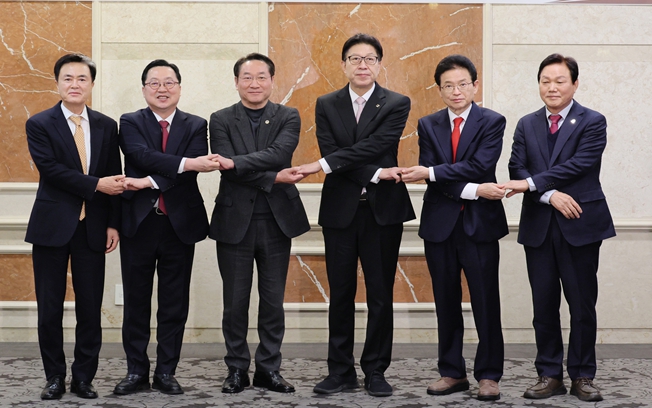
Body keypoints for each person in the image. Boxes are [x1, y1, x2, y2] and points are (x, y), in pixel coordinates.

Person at [298, 33, 415, 397]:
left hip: (383, 212)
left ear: (379, 64)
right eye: (355, 58)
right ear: (343, 64)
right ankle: (340, 371)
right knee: (340, 294)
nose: (362, 65)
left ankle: (376, 370)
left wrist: (324, 165)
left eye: (369, 59)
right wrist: (376, 173)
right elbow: (332, 149)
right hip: (340, 211)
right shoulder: (326, 103)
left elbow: (377, 145)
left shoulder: (397, 102)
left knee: (380, 294)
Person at [504, 53, 615, 402]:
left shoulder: (592, 121)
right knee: (543, 305)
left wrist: (533, 184)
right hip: (539, 225)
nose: (552, 87)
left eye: (560, 81)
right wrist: (549, 195)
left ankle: (583, 375)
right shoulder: (527, 123)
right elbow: (516, 167)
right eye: (545, 81)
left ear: (575, 84)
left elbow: (580, 165)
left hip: (579, 223)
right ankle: (549, 374)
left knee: (582, 305)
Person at [400, 55, 508, 401]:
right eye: (448, 85)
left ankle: (489, 375)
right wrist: (473, 189)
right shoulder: (428, 124)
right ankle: (451, 372)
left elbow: (480, 165)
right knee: (445, 301)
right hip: (440, 226)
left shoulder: (492, 121)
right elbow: (435, 174)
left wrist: (433, 173)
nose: (456, 91)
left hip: (480, 226)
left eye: (462, 84)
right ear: (439, 90)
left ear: (475, 85)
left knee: (486, 302)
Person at [113, 59, 221, 396]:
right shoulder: (130, 121)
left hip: (179, 225)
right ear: (144, 88)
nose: (162, 89)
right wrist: (186, 163)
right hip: (139, 224)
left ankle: (166, 372)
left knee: (174, 303)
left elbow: (188, 172)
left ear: (179, 87)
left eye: (169, 82)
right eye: (154, 83)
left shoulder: (196, 124)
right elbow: (141, 155)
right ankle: (136, 371)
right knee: (136, 302)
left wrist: (146, 181)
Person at [25, 53, 125, 400]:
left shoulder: (106, 125)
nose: (75, 84)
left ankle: (84, 377)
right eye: (67, 78)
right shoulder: (39, 123)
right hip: (51, 226)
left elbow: (113, 174)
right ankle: (54, 376)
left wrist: (113, 223)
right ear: (57, 83)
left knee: (90, 308)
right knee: (50, 308)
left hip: (92, 228)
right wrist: (96, 184)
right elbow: (51, 170)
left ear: (92, 84)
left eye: (82, 78)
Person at [209, 53, 310, 394]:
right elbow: (227, 168)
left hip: (277, 222)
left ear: (272, 80)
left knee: (272, 302)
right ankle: (236, 369)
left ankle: (269, 369)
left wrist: (236, 163)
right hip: (234, 222)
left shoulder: (288, 116)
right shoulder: (220, 119)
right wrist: (272, 176)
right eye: (247, 77)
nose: (254, 83)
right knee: (235, 303)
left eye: (261, 77)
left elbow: (279, 155)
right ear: (236, 82)